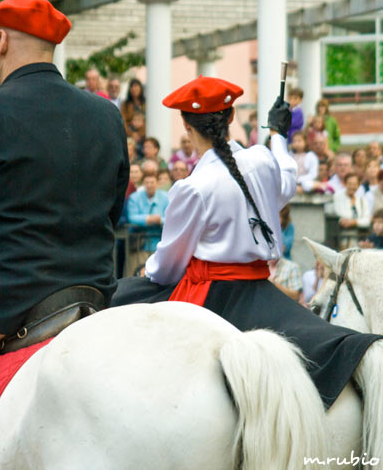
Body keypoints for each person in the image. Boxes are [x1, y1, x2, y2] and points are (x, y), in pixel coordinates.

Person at [112, 75, 382, 410]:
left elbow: (167, 267)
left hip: (210, 295)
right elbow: (287, 181)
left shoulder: (192, 186)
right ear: (231, 117)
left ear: (186, 125)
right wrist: (278, 134)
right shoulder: (262, 160)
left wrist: (147, 272)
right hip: (259, 286)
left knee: (116, 303)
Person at [0, 0, 129, 355]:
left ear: (0, 41)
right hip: (94, 294)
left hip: (3, 306)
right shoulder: (107, 114)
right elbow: (112, 210)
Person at [126, 173, 169, 272]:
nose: (150, 185)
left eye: (152, 182)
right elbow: (131, 217)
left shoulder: (166, 197)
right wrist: (149, 219)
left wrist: (160, 220)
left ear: (157, 183)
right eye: (147, 182)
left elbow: (171, 217)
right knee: (136, 273)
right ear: (143, 184)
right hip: (139, 245)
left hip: (159, 245)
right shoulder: (134, 197)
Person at [333, 172, 371, 249]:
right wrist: (359, 221)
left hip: (359, 240)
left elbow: (367, 221)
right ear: (345, 184)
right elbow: (339, 215)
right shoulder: (337, 198)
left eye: (355, 184)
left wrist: (354, 222)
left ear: (358, 185)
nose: (352, 187)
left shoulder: (363, 200)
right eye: (350, 184)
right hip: (341, 239)